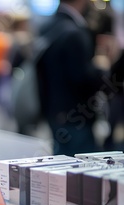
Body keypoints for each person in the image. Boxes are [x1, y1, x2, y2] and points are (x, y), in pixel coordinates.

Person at [37, 0, 109, 156]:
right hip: (77, 115)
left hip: (53, 111)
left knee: (62, 168)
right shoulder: (74, 32)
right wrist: (101, 69)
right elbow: (82, 78)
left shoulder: (48, 26)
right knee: (81, 173)